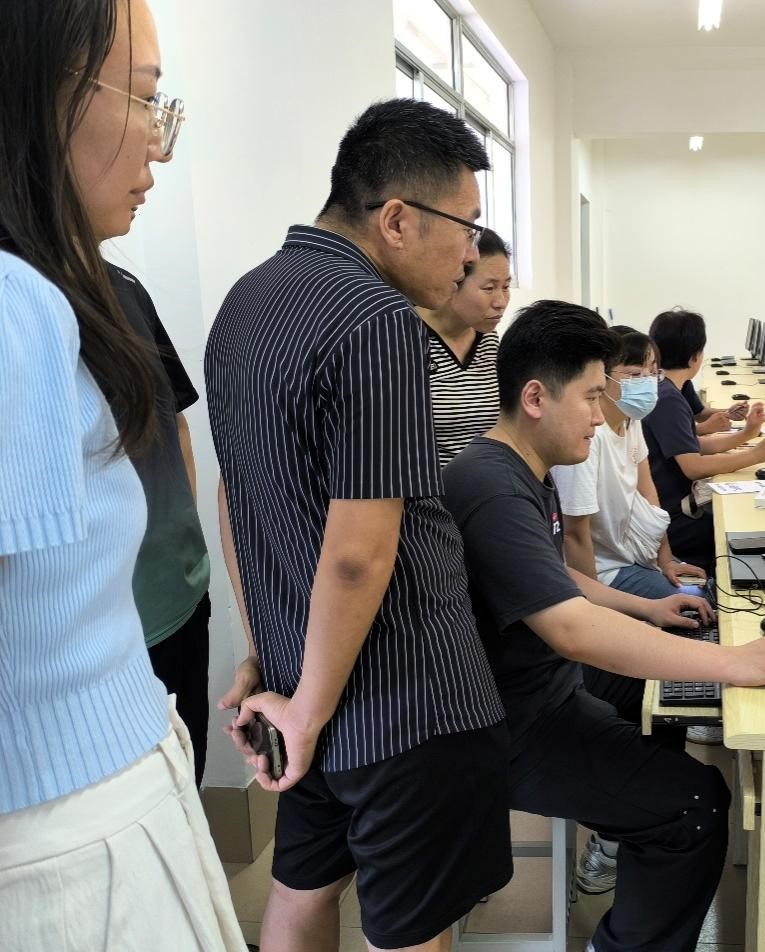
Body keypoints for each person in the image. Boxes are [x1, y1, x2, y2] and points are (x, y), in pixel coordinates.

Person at [206, 99, 510, 952]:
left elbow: (239, 498)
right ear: (398, 220)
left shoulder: (246, 300)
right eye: (466, 227)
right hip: (407, 699)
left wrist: (276, 662)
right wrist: (308, 707)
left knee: (299, 890)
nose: (471, 253)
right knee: (411, 931)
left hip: (302, 680)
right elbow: (358, 555)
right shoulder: (377, 321)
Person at [443, 300, 765, 952]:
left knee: (677, 692)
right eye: (590, 397)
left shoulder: (518, 467)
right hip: (513, 724)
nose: (600, 416)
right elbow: (572, 630)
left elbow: (556, 579)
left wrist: (647, 609)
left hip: (544, 685)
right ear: (535, 397)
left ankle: (626, 827)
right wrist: (736, 662)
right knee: (696, 803)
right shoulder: (492, 487)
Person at [0, 1, 242, 948]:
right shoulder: (16, 306)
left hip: (97, 790)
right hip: (66, 842)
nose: (158, 143)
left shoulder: (74, 289)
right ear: (36, 89)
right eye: (145, 99)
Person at [109, 265, 214, 787]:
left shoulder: (125, 288)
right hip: (100, 632)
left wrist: (184, 543)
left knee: (185, 777)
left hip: (179, 596)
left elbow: (175, 422)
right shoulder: (21, 299)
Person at [555, 326, 706, 600]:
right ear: (601, 376)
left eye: (652, 372)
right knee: (697, 602)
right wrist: (596, 607)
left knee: (707, 593)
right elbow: (574, 534)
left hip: (634, 553)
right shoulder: (588, 437)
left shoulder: (630, 420)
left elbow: (649, 496)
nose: (647, 382)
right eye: (635, 374)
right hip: (602, 571)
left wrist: (666, 560)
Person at [644, 308, 765, 569]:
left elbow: (695, 446)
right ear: (695, 357)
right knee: (746, 527)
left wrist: (747, 434)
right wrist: (755, 455)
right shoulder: (668, 399)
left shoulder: (665, 390)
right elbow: (693, 467)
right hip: (673, 520)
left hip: (674, 509)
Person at [417, 228, 511, 467]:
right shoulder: (409, 337)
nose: (500, 302)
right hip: (428, 488)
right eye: (489, 288)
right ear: (454, 281)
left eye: (506, 287)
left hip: (482, 482)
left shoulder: (488, 339)